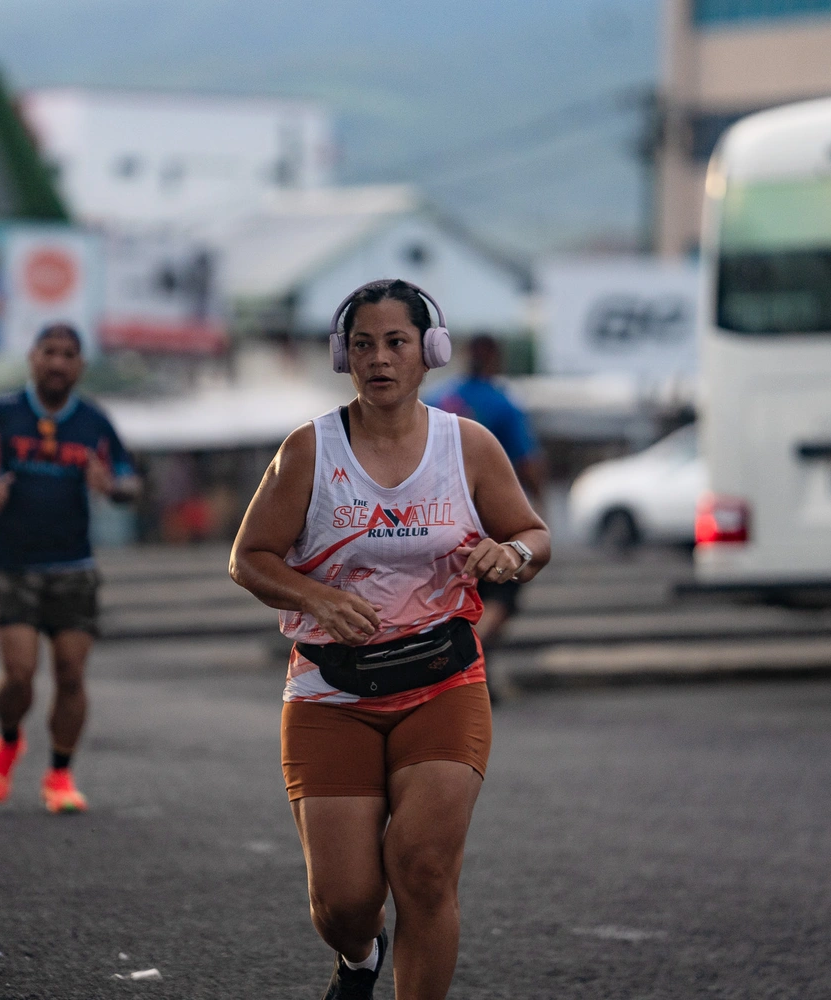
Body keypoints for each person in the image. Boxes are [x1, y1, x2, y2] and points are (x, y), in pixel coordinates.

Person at [230, 279, 550, 999]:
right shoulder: (309, 450)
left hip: (442, 678)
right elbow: (248, 558)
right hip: (331, 690)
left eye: (396, 342)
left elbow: (534, 533)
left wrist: (512, 554)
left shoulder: (467, 446)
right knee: (344, 904)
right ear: (342, 355)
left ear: (429, 351)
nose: (379, 359)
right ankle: (358, 956)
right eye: (364, 344)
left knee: (425, 871)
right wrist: (316, 597)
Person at [0, 323, 139, 814]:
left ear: (80, 365)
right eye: (49, 352)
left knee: (71, 675)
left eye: (68, 354)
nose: (57, 362)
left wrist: (112, 487)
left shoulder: (94, 421)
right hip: (13, 564)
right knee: (19, 675)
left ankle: (60, 774)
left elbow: (129, 480)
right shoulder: (1, 413)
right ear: (32, 358)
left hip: (74, 566)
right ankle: (9, 738)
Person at [426, 335, 546, 695]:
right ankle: (457, 658)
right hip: (489, 513)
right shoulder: (503, 403)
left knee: (453, 594)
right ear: (494, 359)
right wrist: (538, 503)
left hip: (435, 512)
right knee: (499, 596)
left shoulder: (435, 399)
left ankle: (473, 669)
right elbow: (526, 460)